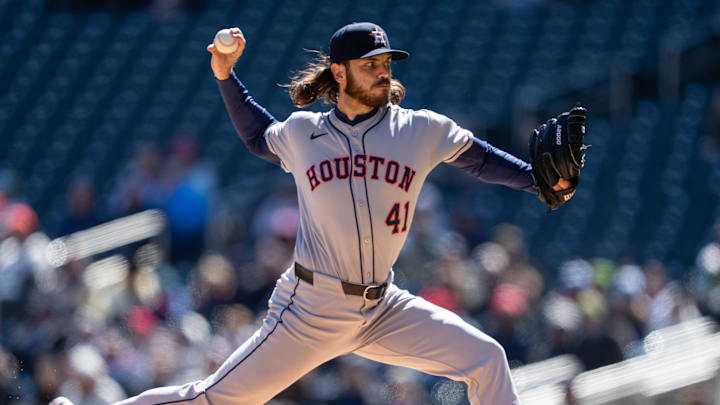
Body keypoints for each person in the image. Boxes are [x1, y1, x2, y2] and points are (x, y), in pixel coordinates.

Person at [53, 22, 572, 405]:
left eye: (386, 62)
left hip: (383, 305)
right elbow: (259, 135)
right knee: (212, 400)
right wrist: (226, 76)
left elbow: (478, 158)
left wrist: (536, 182)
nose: (382, 71)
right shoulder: (305, 134)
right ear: (339, 72)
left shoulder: (421, 128)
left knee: (487, 359)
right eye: (370, 64)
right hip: (310, 308)